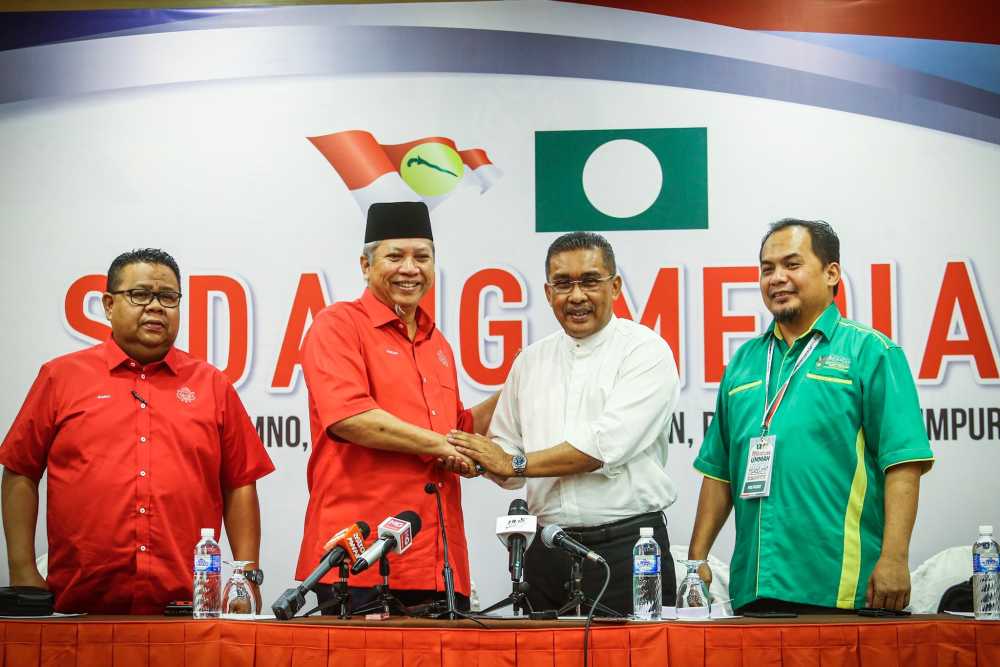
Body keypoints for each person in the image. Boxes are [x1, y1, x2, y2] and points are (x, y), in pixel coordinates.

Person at [0, 248, 274, 614]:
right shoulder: (61, 377)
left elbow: (240, 483)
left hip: (185, 609)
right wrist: (21, 568)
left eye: (168, 297)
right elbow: (20, 469)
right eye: (141, 295)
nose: (156, 306)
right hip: (78, 607)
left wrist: (246, 576)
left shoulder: (211, 384)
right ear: (109, 305)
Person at [689, 219, 934, 613]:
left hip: (842, 588)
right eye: (767, 269)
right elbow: (719, 472)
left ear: (832, 273)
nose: (777, 278)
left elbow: (902, 463)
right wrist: (695, 560)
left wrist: (894, 558)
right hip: (755, 588)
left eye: (791, 264)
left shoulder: (871, 352)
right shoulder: (743, 363)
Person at [448, 231, 680, 616]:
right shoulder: (531, 361)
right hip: (548, 552)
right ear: (547, 291)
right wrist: (481, 461)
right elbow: (507, 452)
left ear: (616, 286)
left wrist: (513, 463)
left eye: (590, 281)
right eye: (563, 284)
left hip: (628, 551)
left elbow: (603, 446)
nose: (576, 296)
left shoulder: (645, 351)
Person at [296, 201, 498, 613]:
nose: (410, 268)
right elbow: (350, 417)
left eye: (422, 257)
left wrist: (516, 387)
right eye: (395, 256)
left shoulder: (437, 343)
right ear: (366, 265)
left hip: (439, 561)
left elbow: (456, 430)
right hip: (360, 558)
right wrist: (443, 445)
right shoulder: (338, 325)